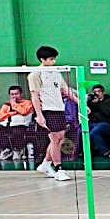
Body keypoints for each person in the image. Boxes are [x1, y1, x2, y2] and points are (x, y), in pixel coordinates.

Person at [27, 46, 77, 181]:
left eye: (54, 59)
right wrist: (39, 115)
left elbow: (65, 90)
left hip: (59, 109)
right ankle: (59, 169)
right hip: (47, 110)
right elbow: (35, 97)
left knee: (60, 138)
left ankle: (45, 164)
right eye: (51, 59)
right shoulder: (35, 75)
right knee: (55, 139)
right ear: (42, 60)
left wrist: (81, 103)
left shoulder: (55, 72)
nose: (54, 62)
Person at [0, 86, 34, 160]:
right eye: (12, 94)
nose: (14, 96)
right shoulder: (6, 105)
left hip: (21, 125)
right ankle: (5, 149)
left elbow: (24, 111)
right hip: (6, 125)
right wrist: (9, 114)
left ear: (21, 94)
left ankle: (18, 150)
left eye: (16, 94)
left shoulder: (27, 103)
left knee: (17, 132)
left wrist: (14, 105)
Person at [86, 84, 110, 157]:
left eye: (99, 91)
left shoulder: (109, 100)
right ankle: (82, 152)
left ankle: (105, 151)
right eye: (95, 92)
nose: (97, 93)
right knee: (80, 129)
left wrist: (98, 102)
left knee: (93, 133)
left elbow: (107, 112)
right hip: (93, 122)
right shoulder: (91, 101)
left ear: (103, 92)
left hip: (106, 123)